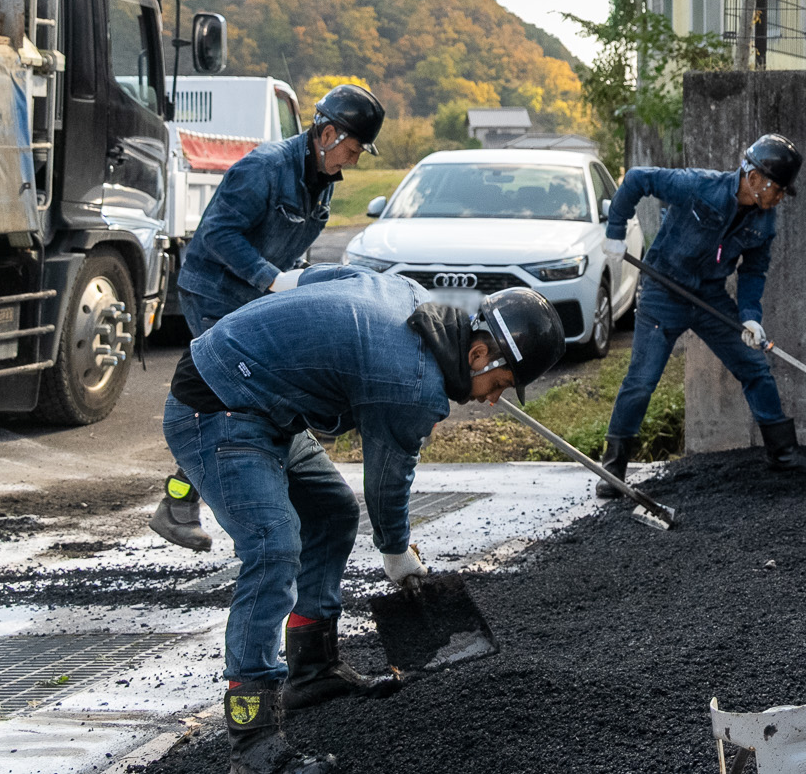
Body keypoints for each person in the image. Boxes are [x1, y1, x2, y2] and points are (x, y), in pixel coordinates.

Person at [164, 268, 565, 774]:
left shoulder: (409, 295)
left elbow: (322, 277)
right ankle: (253, 742)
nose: (492, 398)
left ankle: (312, 669)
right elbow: (387, 482)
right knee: (273, 548)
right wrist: (397, 554)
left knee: (332, 511)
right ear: (479, 354)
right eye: (500, 384)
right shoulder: (413, 383)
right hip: (218, 405)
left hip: (267, 403)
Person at [152, 84, 387, 551]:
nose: (354, 161)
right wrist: (271, 279)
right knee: (231, 390)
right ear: (328, 134)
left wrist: (304, 280)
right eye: (353, 150)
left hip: (254, 297)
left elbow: (288, 246)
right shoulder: (264, 168)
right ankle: (180, 504)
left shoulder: (320, 184)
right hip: (214, 293)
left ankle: (245, 495)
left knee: (252, 394)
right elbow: (218, 235)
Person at [596, 133, 806, 487]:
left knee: (754, 368)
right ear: (754, 178)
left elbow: (754, 271)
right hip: (663, 291)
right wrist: (615, 232)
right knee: (642, 381)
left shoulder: (764, 223)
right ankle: (612, 468)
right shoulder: (698, 186)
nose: (781, 198)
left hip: (709, 298)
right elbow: (638, 179)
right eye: (779, 190)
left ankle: (783, 454)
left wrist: (750, 316)